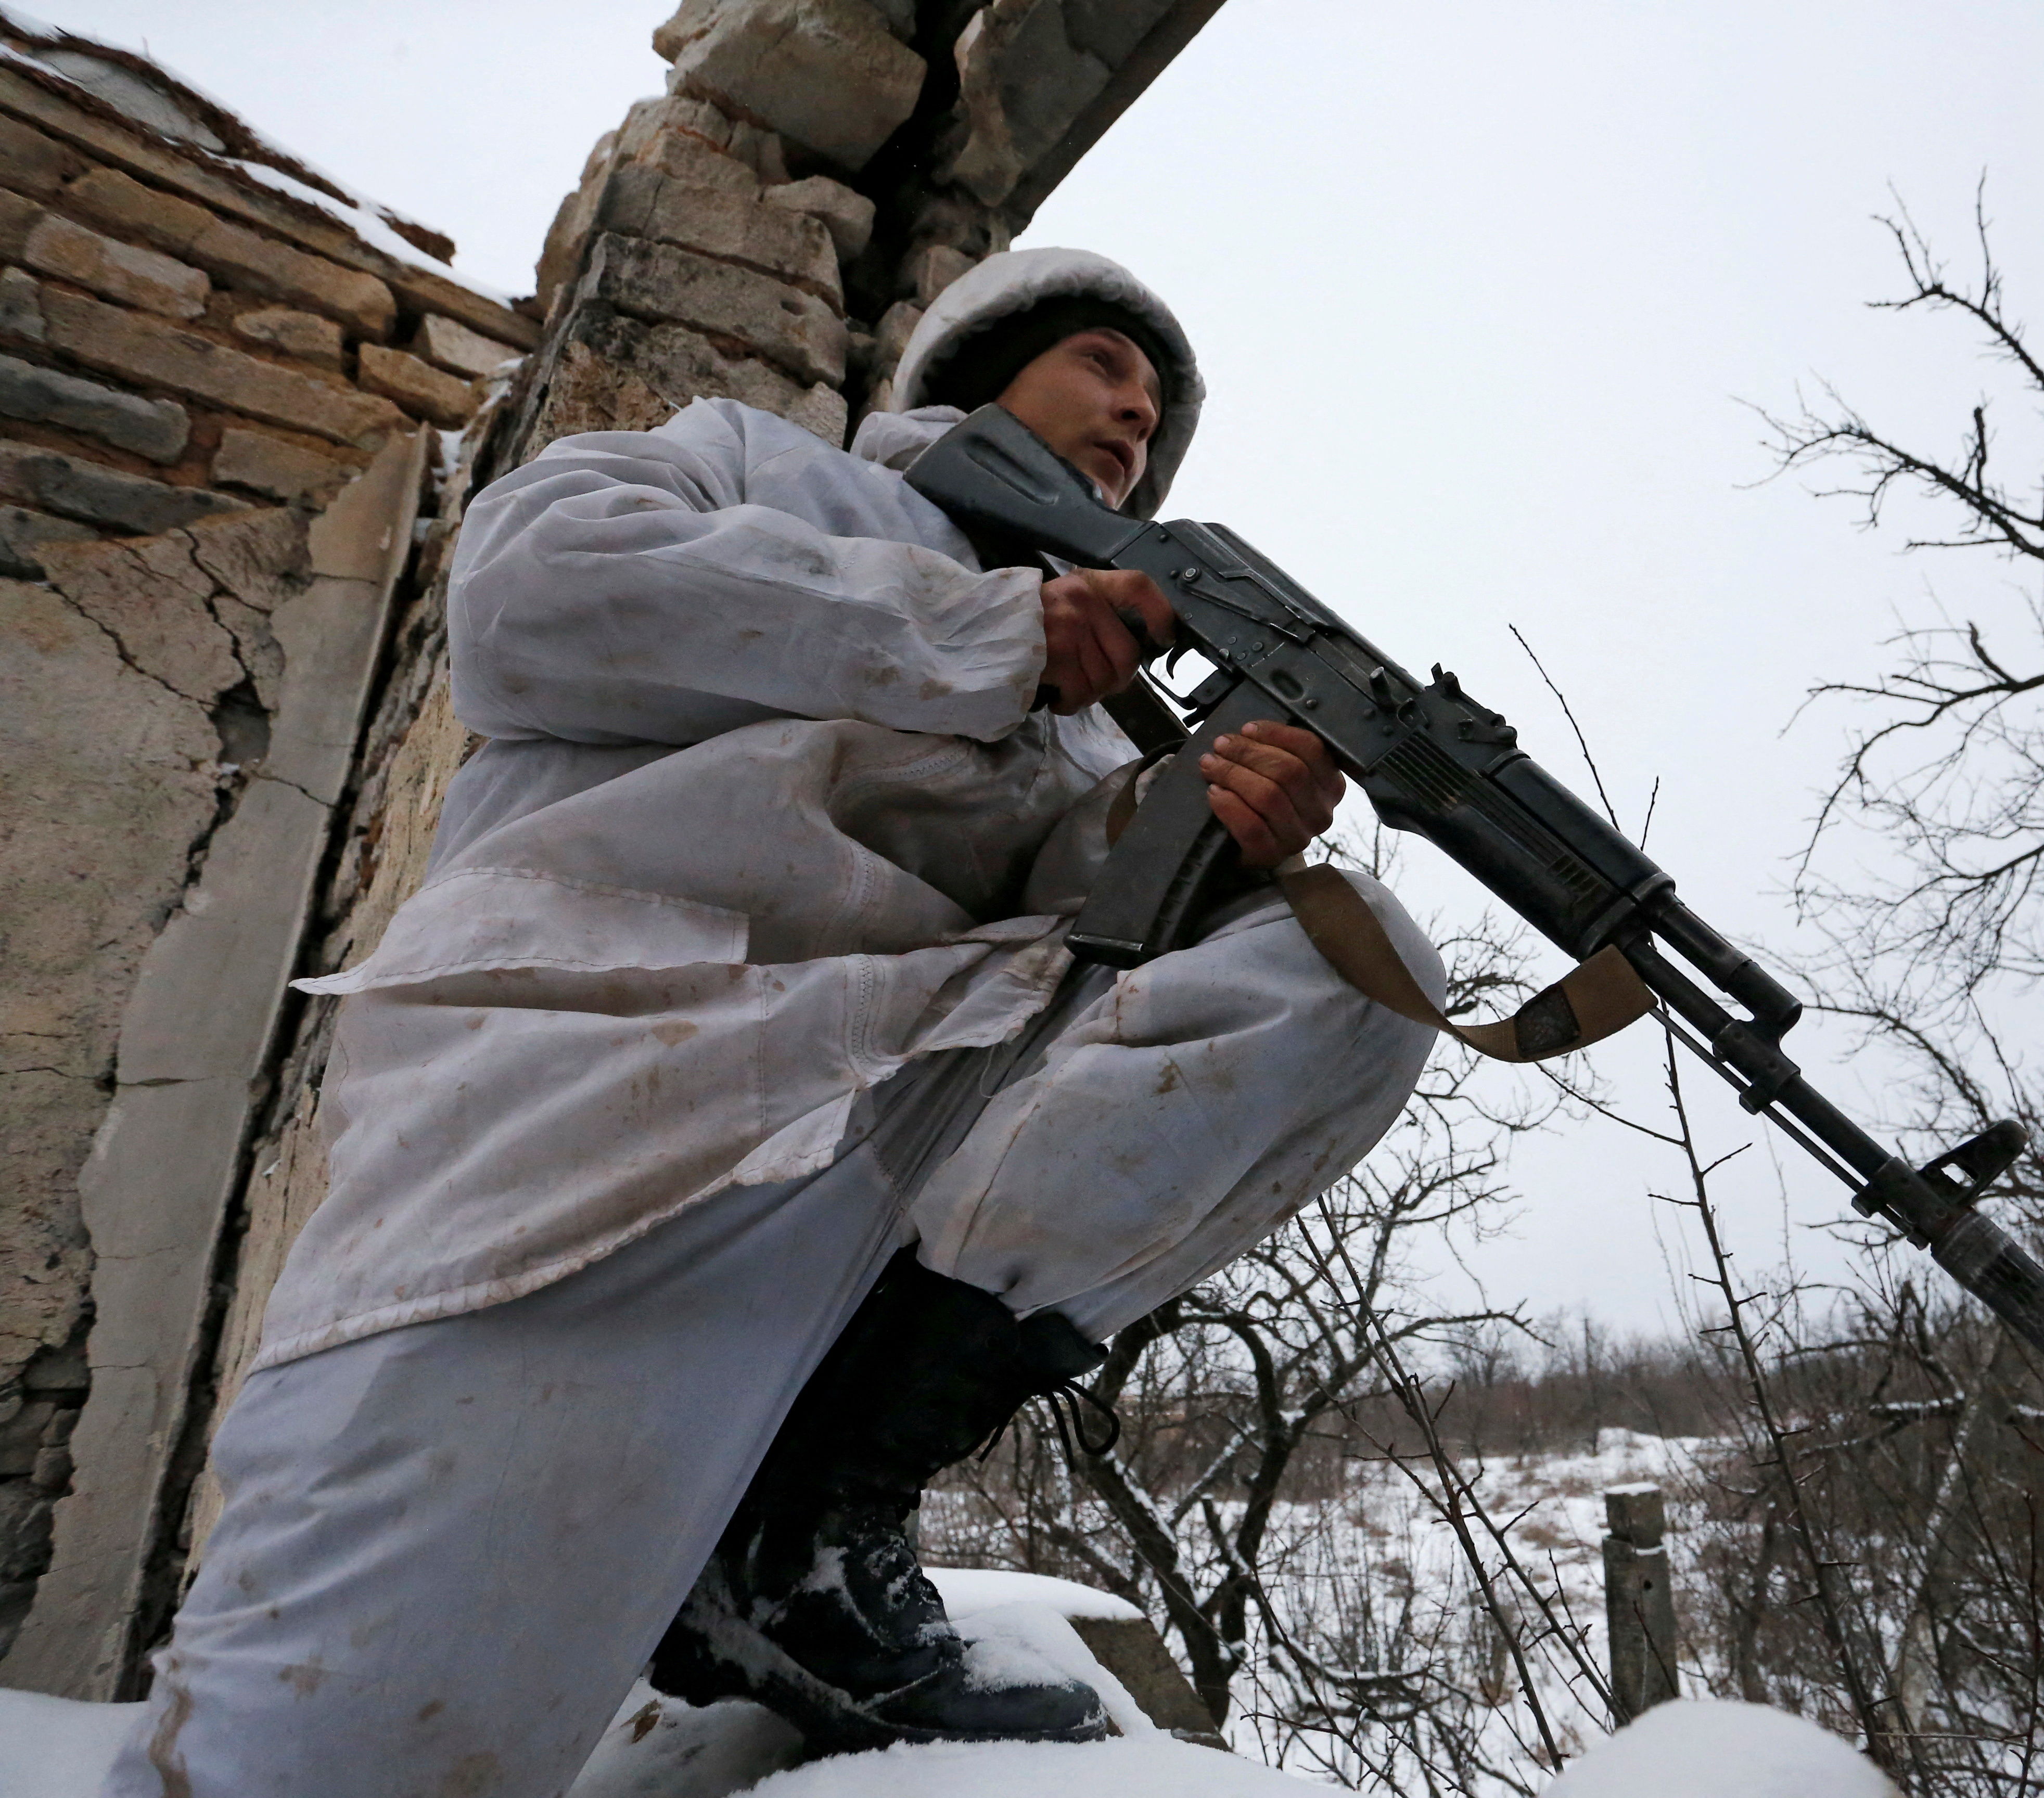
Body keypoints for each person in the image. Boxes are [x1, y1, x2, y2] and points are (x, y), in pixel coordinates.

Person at [101, 247, 1440, 1796]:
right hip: (595, 1134)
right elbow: (531, 593)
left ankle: (807, 1519)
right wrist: (979, 634)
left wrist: (1195, 819)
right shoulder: (753, 467)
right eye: (1100, 366)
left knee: (1352, 963)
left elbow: (1048, 923)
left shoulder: (1088, 709)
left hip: (886, 1144)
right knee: (319, 1752)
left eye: (1157, 410)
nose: (1137, 413)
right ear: (978, 372)